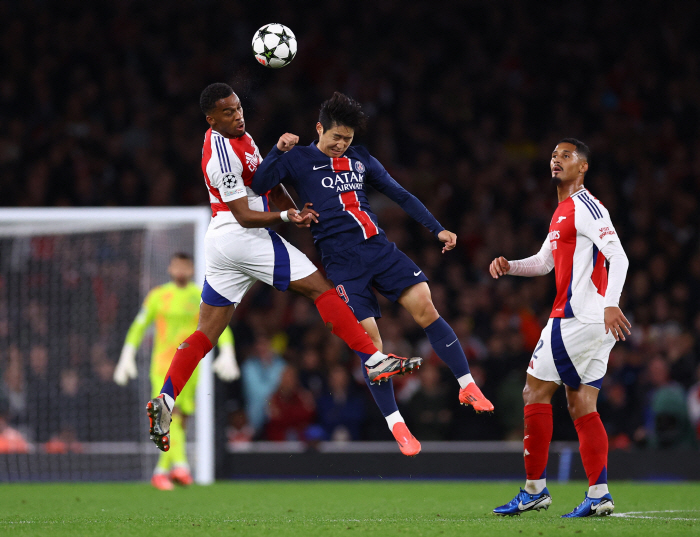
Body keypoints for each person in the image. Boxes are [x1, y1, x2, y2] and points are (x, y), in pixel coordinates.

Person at [146, 83, 420, 455]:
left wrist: (296, 209)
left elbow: (269, 183)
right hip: (239, 234)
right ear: (211, 119)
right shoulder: (219, 154)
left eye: (238, 107)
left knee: (206, 332)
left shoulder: (243, 137)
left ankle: (165, 398)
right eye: (227, 112)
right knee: (320, 289)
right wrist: (286, 215)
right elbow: (244, 216)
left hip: (222, 246)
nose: (237, 115)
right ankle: (373, 358)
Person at [252, 92, 494, 456]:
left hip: (379, 249)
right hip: (342, 262)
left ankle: (466, 384)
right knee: (372, 345)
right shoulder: (298, 159)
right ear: (319, 129)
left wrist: (437, 229)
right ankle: (397, 425)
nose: (341, 144)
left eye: (347, 139)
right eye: (336, 137)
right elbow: (258, 184)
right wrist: (277, 149)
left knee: (427, 307)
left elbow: (400, 194)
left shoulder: (361, 159)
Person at [488, 139, 630, 518]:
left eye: (566, 155)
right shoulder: (562, 211)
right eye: (553, 155)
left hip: (576, 317)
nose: (556, 160)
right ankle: (599, 494)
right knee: (581, 402)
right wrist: (510, 266)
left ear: (583, 166)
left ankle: (534, 490)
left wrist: (612, 304)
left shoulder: (586, 207)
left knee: (533, 391)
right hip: (593, 321)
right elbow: (544, 262)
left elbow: (620, 257)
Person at [115, 252, 239, 490]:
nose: (181, 270)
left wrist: (227, 351)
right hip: (162, 365)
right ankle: (181, 466)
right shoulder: (158, 296)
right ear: (170, 269)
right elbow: (139, 326)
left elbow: (216, 324)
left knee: (180, 422)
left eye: (185, 266)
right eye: (177, 266)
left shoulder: (200, 295)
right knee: (171, 414)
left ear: (191, 269)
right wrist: (127, 355)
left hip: (191, 367)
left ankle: (160, 471)